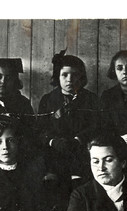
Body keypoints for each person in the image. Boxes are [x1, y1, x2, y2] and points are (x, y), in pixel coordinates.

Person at [37, 50, 101, 182]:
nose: (69, 80)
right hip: (54, 153)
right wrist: (53, 141)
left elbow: (97, 126)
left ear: (81, 77)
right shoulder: (48, 100)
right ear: (57, 77)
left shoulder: (91, 99)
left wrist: (78, 139)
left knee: (79, 181)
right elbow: (40, 129)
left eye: (74, 75)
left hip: (82, 152)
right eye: (64, 75)